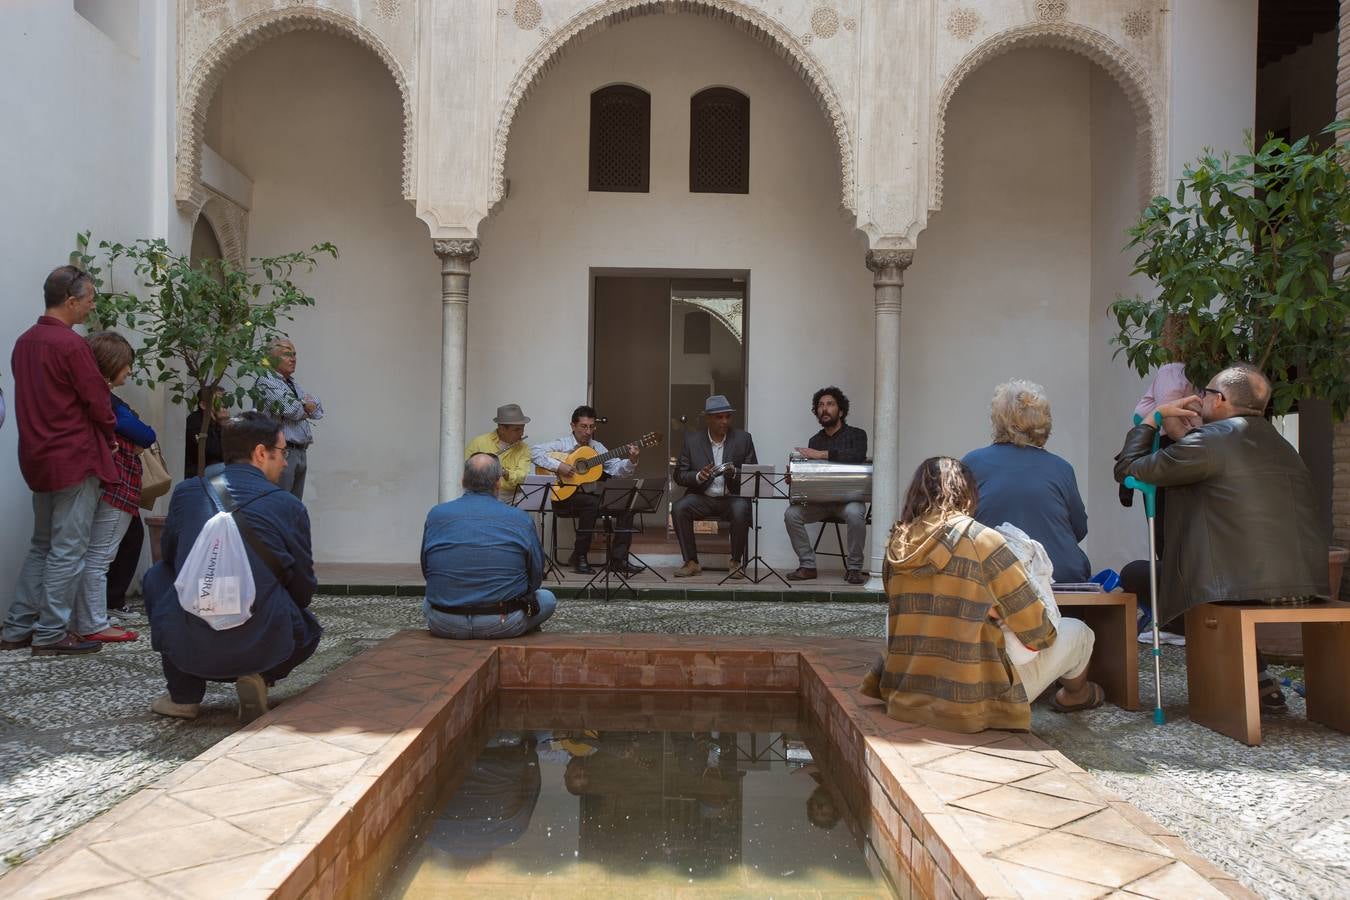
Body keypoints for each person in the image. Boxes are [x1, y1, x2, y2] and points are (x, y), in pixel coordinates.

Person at [1114, 364, 1328, 711]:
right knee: (1202, 584)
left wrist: (1153, 420)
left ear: (1221, 399)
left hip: (1238, 588)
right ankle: (1256, 677)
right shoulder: (1282, 444)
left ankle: (1239, 678)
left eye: (1205, 394)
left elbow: (1128, 471)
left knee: (1137, 574)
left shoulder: (1210, 441)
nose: (1199, 399)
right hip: (1305, 583)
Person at [860, 457, 1102, 733]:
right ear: (969, 492)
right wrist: (1000, 614)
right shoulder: (983, 541)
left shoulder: (897, 544)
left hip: (904, 697)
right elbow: (1040, 633)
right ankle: (1075, 695)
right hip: (969, 704)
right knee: (1079, 632)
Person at [143, 411, 322, 722]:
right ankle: (259, 674)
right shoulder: (288, 506)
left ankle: (183, 695)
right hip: (265, 639)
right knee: (306, 624)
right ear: (260, 453)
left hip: (190, 640)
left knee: (157, 576)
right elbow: (303, 587)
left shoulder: (187, 493)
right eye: (282, 452)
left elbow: (171, 557)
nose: (284, 462)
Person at [0, 267, 116, 656]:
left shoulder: (24, 342)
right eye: (89, 298)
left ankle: (17, 628)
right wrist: (110, 433)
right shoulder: (70, 345)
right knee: (68, 548)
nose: (91, 305)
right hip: (74, 456)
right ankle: (51, 633)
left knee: (41, 544)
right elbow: (97, 401)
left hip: (37, 455)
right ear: (70, 301)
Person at [962, 380, 1091, 584]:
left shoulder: (973, 463)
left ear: (998, 420)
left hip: (995, 578)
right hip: (1060, 576)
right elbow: (1079, 529)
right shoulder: (1061, 468)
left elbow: (958, 527)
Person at [72, 332, 155, 643]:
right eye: (127, 364)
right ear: (111, 363)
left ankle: (87, 619)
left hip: (107, 483)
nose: (130, 370)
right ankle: (93, 623)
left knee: (92, 553)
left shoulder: (94, 397)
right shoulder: (103, 400)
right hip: (115, 485)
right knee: (99, 555)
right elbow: (145, 434)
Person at [421, 453, 558, 639]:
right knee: (547, 599)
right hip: (502, 622)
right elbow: (535, 577)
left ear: (463, 481)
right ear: (498, 483)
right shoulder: (520, 518)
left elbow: (427, 569)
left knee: (427, 601)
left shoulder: (436, 514)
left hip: (444, 621)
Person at [531, 405, 641, 575]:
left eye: (591, 427)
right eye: (583, 426)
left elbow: (618, 471)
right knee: (591, 503)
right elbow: (534, 452)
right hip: (562, 497)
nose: (588, 431)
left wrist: (632, 460)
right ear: (573, 426)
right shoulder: (562, 444)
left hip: (588, 499)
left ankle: (619, 560)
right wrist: (560, 466)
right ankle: (579, 556)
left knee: (626, 507)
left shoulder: (597, 448)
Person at [784, 386, 869, 584]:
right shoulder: (815, 439)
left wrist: (822, 454)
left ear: (841, 411)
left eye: (830, 404)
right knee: (791, 514)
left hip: (848, 501)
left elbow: (857, 456)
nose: (824, 409)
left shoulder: (857, 435)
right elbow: (813, 473)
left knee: (856, 514)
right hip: (820, 503)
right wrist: (797, 478)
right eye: (820, 405)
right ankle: (807, 566)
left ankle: (855, 568)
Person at [671, 395, 759, 579]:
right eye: (719, 417)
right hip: (703, 497)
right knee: (679, 508)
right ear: (708, 418)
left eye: (727, 416)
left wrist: (734, 473)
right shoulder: (692, 440)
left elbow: (753, 473)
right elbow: (679, 474)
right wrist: (697, 476)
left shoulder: (743, 439)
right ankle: (691, 562)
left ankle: (736, 562)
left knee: (741, 508)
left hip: (731, 497)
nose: (724, 421)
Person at [254, 338, 322, 498]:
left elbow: (318, 410)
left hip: (299, 451)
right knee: (279, 504)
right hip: (281, 452)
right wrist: (305, 405)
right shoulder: (266, 381)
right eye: (287, 354)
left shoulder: (291, 383)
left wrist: (304, 405)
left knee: (293, 507)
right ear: (272, 358)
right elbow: (291, 409)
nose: (293, 359)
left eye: (294, 354)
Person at [465, 403, 533, 503]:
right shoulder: (479, 442)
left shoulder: (524, 448)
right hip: (485, 492)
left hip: (512, 494)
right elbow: (465, 470)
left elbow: (523, 476)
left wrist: (506, 473)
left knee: (532, 503)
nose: (521, 433)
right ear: (502, 429)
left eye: (522, 428)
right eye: (517, 430)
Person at [184, 385, 227, 478]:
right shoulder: (195, 421)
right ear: (203, 405)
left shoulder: (217, 422)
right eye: (218, 402)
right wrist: (222, 425)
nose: (223, 405)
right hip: (197, 472)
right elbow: (212, 451)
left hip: (214, 469)